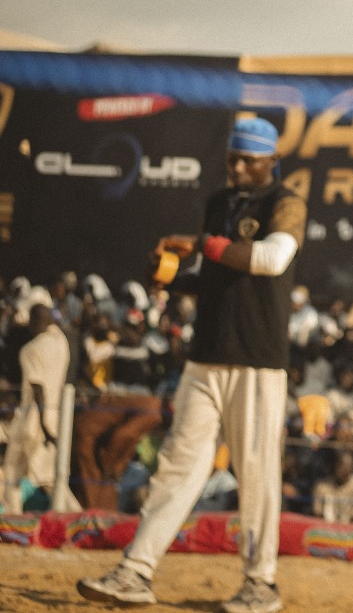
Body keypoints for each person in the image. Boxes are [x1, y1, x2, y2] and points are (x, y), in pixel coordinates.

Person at [78, 116, 306, 613]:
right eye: (232, 159)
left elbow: (270, 260)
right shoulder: (219, 203)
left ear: (272, 160)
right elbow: (213, 277)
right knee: (176, 466)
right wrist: (171, 279)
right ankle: (136, 570)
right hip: (206, 356)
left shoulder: (285, 203)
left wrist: (204, 245)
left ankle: (261, 583)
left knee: (256, 474)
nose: (237, 167)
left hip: (257, 360)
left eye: (248, 160)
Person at [3, 302, 73, 513]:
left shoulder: (29, 350)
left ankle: (13, 519)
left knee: (13, 473)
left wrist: (43, 425)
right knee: (51, 479)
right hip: (57, 418)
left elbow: (37, 389)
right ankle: (74, 518)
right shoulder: (61, 343)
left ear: (33, 322)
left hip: (33, 421)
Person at [312, 450, 353, 526]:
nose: (340, 470)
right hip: (324, 530)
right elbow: (316, 514)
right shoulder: (322, 486)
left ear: (352, 468)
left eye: (345, 467)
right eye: (338, 465)